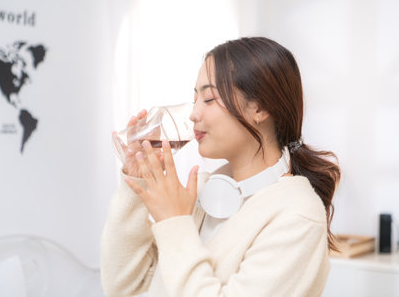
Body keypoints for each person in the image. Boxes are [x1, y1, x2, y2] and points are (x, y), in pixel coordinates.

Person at [100, 37, 341, 297]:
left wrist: (175, 223)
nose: (193, 114)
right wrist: (138, 184)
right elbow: (125, 286)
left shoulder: (296, 216)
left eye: (209, 98)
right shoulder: (205, 194)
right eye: (195, 99)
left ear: (259, 107)